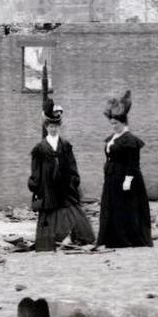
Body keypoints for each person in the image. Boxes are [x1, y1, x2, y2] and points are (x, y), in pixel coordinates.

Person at [28, 85, 95, 252]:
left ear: (59, 126)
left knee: (72, 212)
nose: (53, 128)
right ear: (46, 126)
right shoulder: (40, 148)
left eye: (56, 125)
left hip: (65, 186)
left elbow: (72, 165)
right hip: (48, 187)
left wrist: (73, 180)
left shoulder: (65, 145)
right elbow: (35, 169)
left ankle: (79, 238)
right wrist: (36, 185)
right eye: (50, 125)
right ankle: (49, 242)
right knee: (50, 214)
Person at [97, 90, 153, 248]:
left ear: (124, 123)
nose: (113, 126)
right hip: (112, 178)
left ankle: (126, 238)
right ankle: (111, 238)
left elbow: (133, 163)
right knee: (112, 207)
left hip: (124, 179)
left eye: (116, 124)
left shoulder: (130, 140)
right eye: (112, 123)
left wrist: (128, 180)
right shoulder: (113, 138)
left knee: (124, 208)